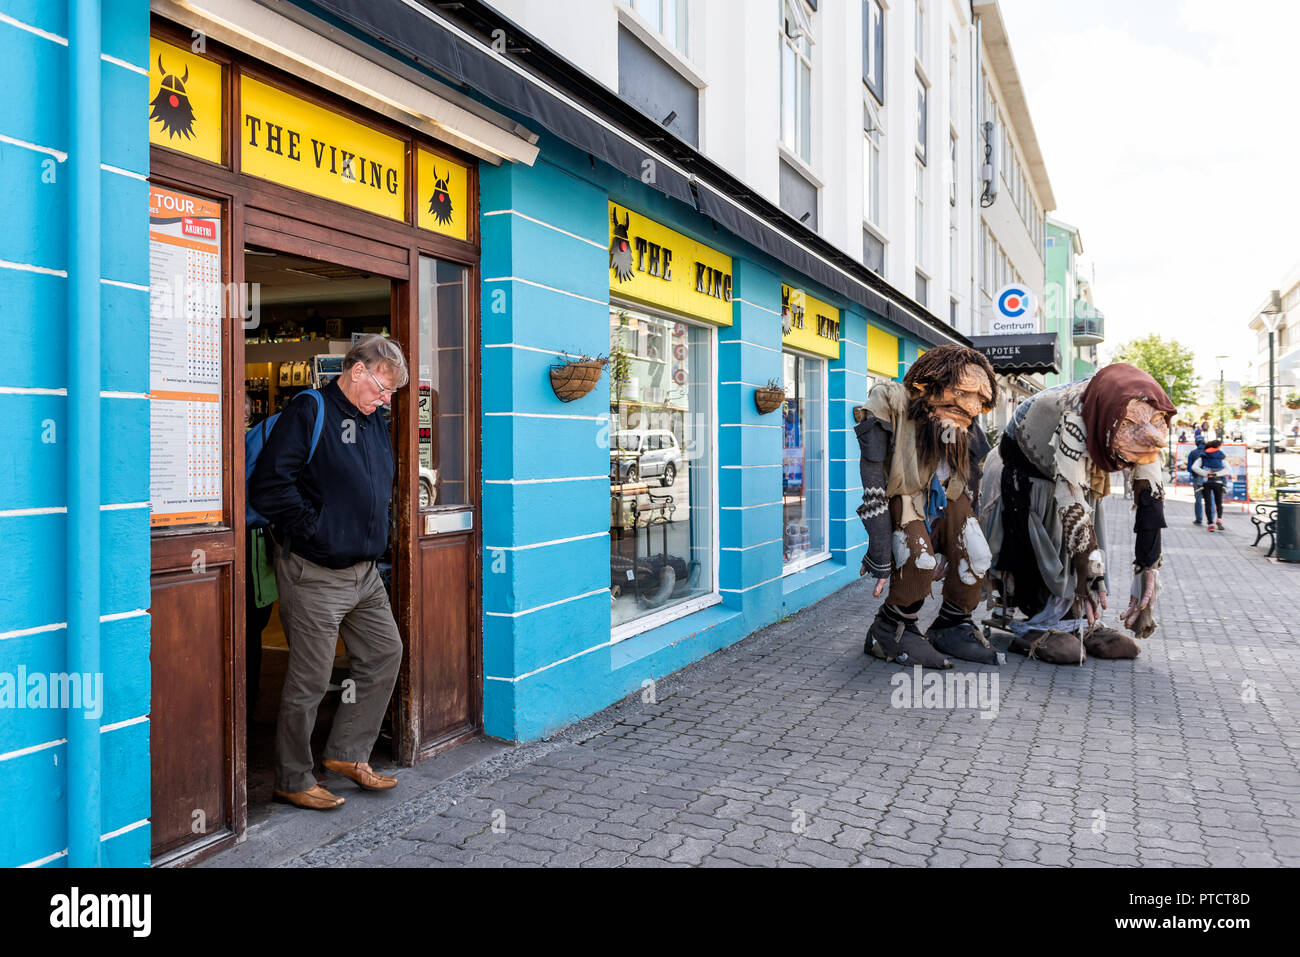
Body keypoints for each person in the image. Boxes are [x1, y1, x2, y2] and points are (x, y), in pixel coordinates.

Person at [249, 335, 408, 811]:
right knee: (310, 680)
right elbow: (269, 486)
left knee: (385, 654)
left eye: (392, 393)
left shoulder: (374, 419)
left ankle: (346, 755)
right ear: (357, 370)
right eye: (383, 387)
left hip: (365, 573)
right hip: (315, 570)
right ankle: (293, 777)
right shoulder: (309, 409)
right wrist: (315, 530)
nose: (386, 399)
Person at [979, 364, 1175, 664]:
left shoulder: (1147, 417)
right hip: (1022, 480)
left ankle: (1077, 620)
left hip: (1076, 482)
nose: (1128, 463)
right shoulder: (1075, 418)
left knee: (1083, 540)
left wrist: (1148, 569)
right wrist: (1091, 575)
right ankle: (1030, 620)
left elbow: (1150, 500)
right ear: (1116, 426)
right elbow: (1070, 503)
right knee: (1053, 545)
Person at [854, 344, 1000, 668]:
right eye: (964, 392)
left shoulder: (963, 425)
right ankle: (891, 627)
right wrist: (879, 546)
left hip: (948, 496)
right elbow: (873, 474)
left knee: (976, 551)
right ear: (929, 383)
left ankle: (952, 624)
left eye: (980, 398)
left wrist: (953, 542)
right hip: (905, 493)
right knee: (918, 559)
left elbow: (969, 478)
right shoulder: (893, 400)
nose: (973, 406)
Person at [1193, 437, 1229, 532]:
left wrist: (1206, 473)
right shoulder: (1220, 457)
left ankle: (1210, 524)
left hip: (1206, 482)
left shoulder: (1203, 456)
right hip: (1218, 482)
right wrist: (1217, 474)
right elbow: (1227, 469)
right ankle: (1219, 519)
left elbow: (1194, 467)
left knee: (1208, 503)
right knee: (1219, 502)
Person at [1187, 436, 1207, 525]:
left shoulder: (1192, 453)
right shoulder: (1208, 453)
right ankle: (1211, 519)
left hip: (1197, 478)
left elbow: (1189, 468)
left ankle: (1199, 519)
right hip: (1208, 478)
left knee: (1198, 500)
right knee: (1210, 499)